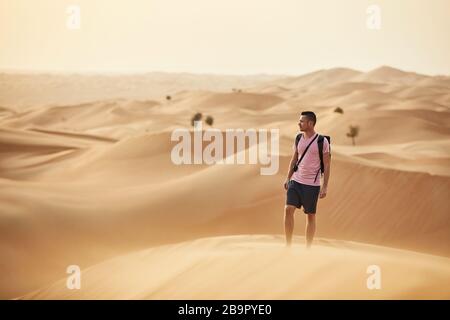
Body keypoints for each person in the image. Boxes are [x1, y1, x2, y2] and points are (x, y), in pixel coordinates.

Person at [283, 111, 331, 248]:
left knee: (310, 216)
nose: (299, 123)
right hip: (296, 181)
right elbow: (294, 159)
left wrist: (325, 186)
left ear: (310, 123)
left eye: (302, 121)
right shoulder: (298, 138)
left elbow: (327, 165)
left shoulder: (322, 141)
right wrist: (288, 178)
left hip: (312, 185)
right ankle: (288, 245)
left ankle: (308, 248)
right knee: (288, 209)